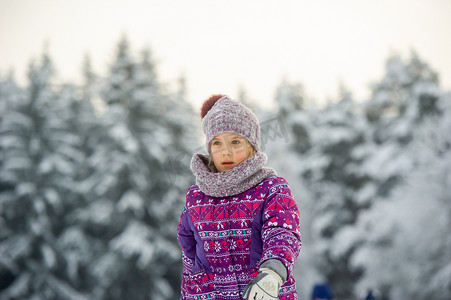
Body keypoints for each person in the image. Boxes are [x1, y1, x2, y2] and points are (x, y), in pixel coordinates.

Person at [177, 95, 301, 300]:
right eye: (217, 143)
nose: (226, 151)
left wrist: (272, 273)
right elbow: (188, 252)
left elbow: (282, 233)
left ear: (252, 146)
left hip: (262, 292)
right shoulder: (196, 198)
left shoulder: (271, 189)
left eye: (235, 141)